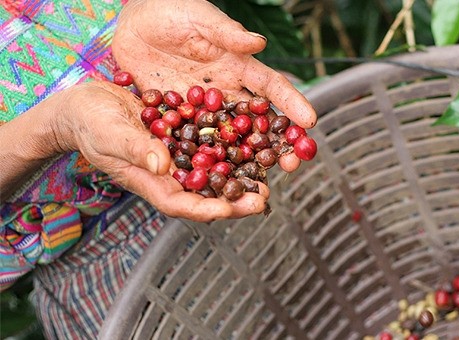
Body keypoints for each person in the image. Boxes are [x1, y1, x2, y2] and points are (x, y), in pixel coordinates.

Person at [0, 0, 317, 338]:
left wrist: (137, 8)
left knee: (315, 306)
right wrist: (56, 125)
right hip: (102, 269)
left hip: (228, 199)